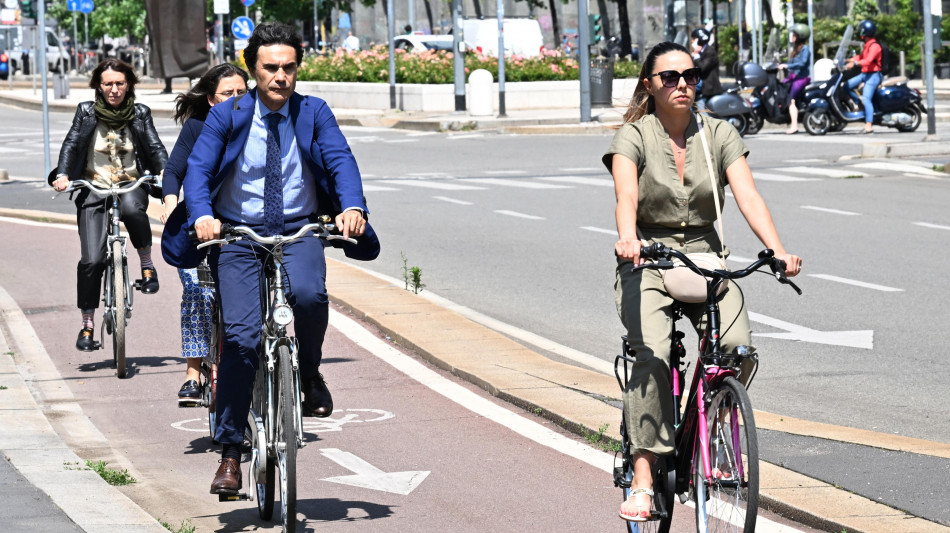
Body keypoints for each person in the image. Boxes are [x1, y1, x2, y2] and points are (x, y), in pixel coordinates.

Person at [602, 42, 801, 522]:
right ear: (649, 85)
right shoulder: (634, 135)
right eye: (669, 77)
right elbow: (625, 194)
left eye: (690, 76)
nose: (682, 85)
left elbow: (748, 193)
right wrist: (629, 239)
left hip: (707, 260)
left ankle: (709, 426)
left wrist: (775, 248)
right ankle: (647, 476)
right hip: (648, 259)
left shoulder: (719, 134)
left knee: (737, 349)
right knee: (653, 353)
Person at [182, 22, 378, 495]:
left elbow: (340, 160)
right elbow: (199, 168)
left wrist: (351, 206)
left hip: (298, 229)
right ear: (253, 69)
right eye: (270, 67)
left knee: (310, 297)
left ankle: (309, 374)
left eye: (289, 67)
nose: (280, 76)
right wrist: (203, 215)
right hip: (239, 235)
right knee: (243, 339)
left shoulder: (313, 112)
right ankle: (231, 451)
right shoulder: (227, 115)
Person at [51, 58, 167, 352]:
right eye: (108, 84)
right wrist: (63, 174)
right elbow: (72, 143)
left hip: (130, 183)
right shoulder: (86, 112)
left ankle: (146, 264)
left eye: (119, 83)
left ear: (129, 85)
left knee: (131, 209)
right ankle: (88, 325)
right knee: (92, 260)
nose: (114, 89)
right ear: (98, 87)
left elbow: (154, 146)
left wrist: (164, 171)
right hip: (94, 186)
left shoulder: (140, 113)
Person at [160, 63, 249, 402]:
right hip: (201, 228)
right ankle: (194, 372)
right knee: (197, 290)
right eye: (229, 94)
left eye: (243, 92)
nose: (237, 99)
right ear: (212, 100)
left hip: (243, 229)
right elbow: (175, 170)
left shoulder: (259, 125)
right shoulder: (197, 128)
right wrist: (171, 201)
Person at [846, 20, 883, 134]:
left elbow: (867, 60)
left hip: (873, 76)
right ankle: (859, 103)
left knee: (867, 98)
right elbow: (861, 56)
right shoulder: (868, 45)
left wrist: (855, 63)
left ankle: (869, 124)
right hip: (865, 74)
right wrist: (848, 60)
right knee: (846, 86)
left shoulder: (875, 46)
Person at [780, 24, 812, 134]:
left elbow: (802, 63)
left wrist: (787, 66)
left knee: (790, 100)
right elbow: (791, 63)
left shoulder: (805, 49)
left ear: (800, 36)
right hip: (794, 77)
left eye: (794, 34)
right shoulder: (796, 49)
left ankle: (794, 125)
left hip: (801, 79)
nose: (792, 36)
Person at [690, 27, 722, 99]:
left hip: (707, 84)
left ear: (700, 39)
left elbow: (702, 67)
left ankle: (700, 109)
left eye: (694, 38)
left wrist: (696, 55)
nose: (692, 41)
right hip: (700, 80)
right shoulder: (700, 51)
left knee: (688, 86)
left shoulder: (710, 51)